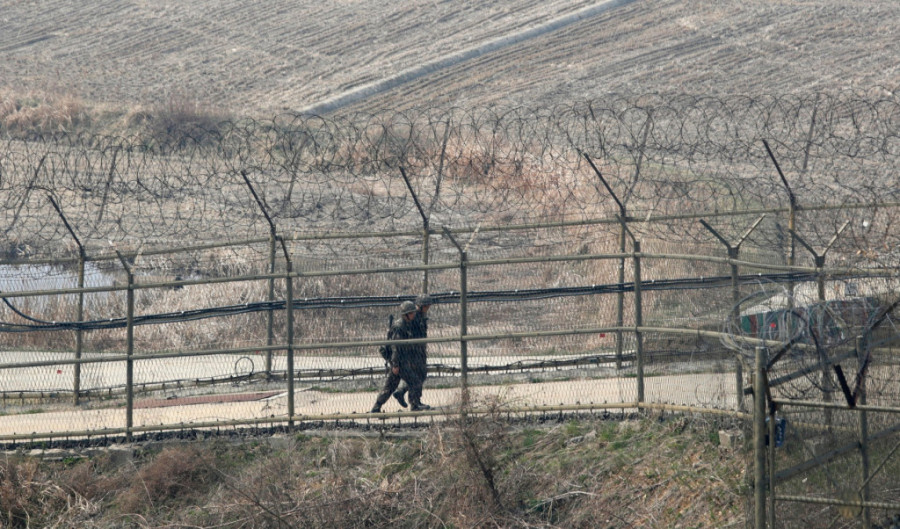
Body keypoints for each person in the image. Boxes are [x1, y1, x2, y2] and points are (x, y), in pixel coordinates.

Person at [370, 301, 427, 413]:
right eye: (411, 313)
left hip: (401, 360)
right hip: (399, 361)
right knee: (415, 382)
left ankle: (377, 406)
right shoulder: (399, 326)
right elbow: (395, 347)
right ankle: (414, 405)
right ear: (406, 314)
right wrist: (395, 364)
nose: (413, 314)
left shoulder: (407, 324)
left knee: (390, 386)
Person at [393, 294, 433, 410]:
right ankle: (414, 402)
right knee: (417, 376)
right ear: (421, 306)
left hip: (419, 350)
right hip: (414, 351)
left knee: (420, 375)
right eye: (426, 306)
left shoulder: (420, 316)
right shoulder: (414, 317)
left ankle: (405, 394)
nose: (428, 308)